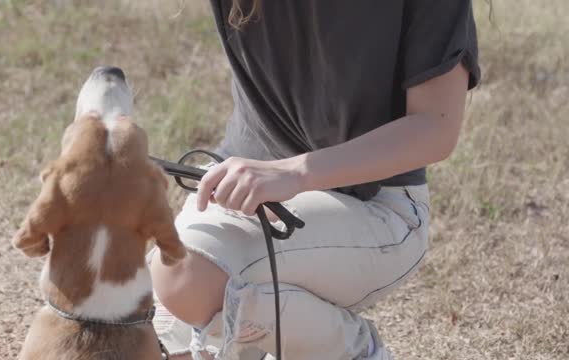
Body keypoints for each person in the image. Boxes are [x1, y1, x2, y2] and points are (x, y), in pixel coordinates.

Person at [147, 1, 481, 359]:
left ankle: (359, 352)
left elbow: (436, 128)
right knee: (166, 322)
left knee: (186, 276)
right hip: (236, 191)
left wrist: (293, 172)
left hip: (379, 206)